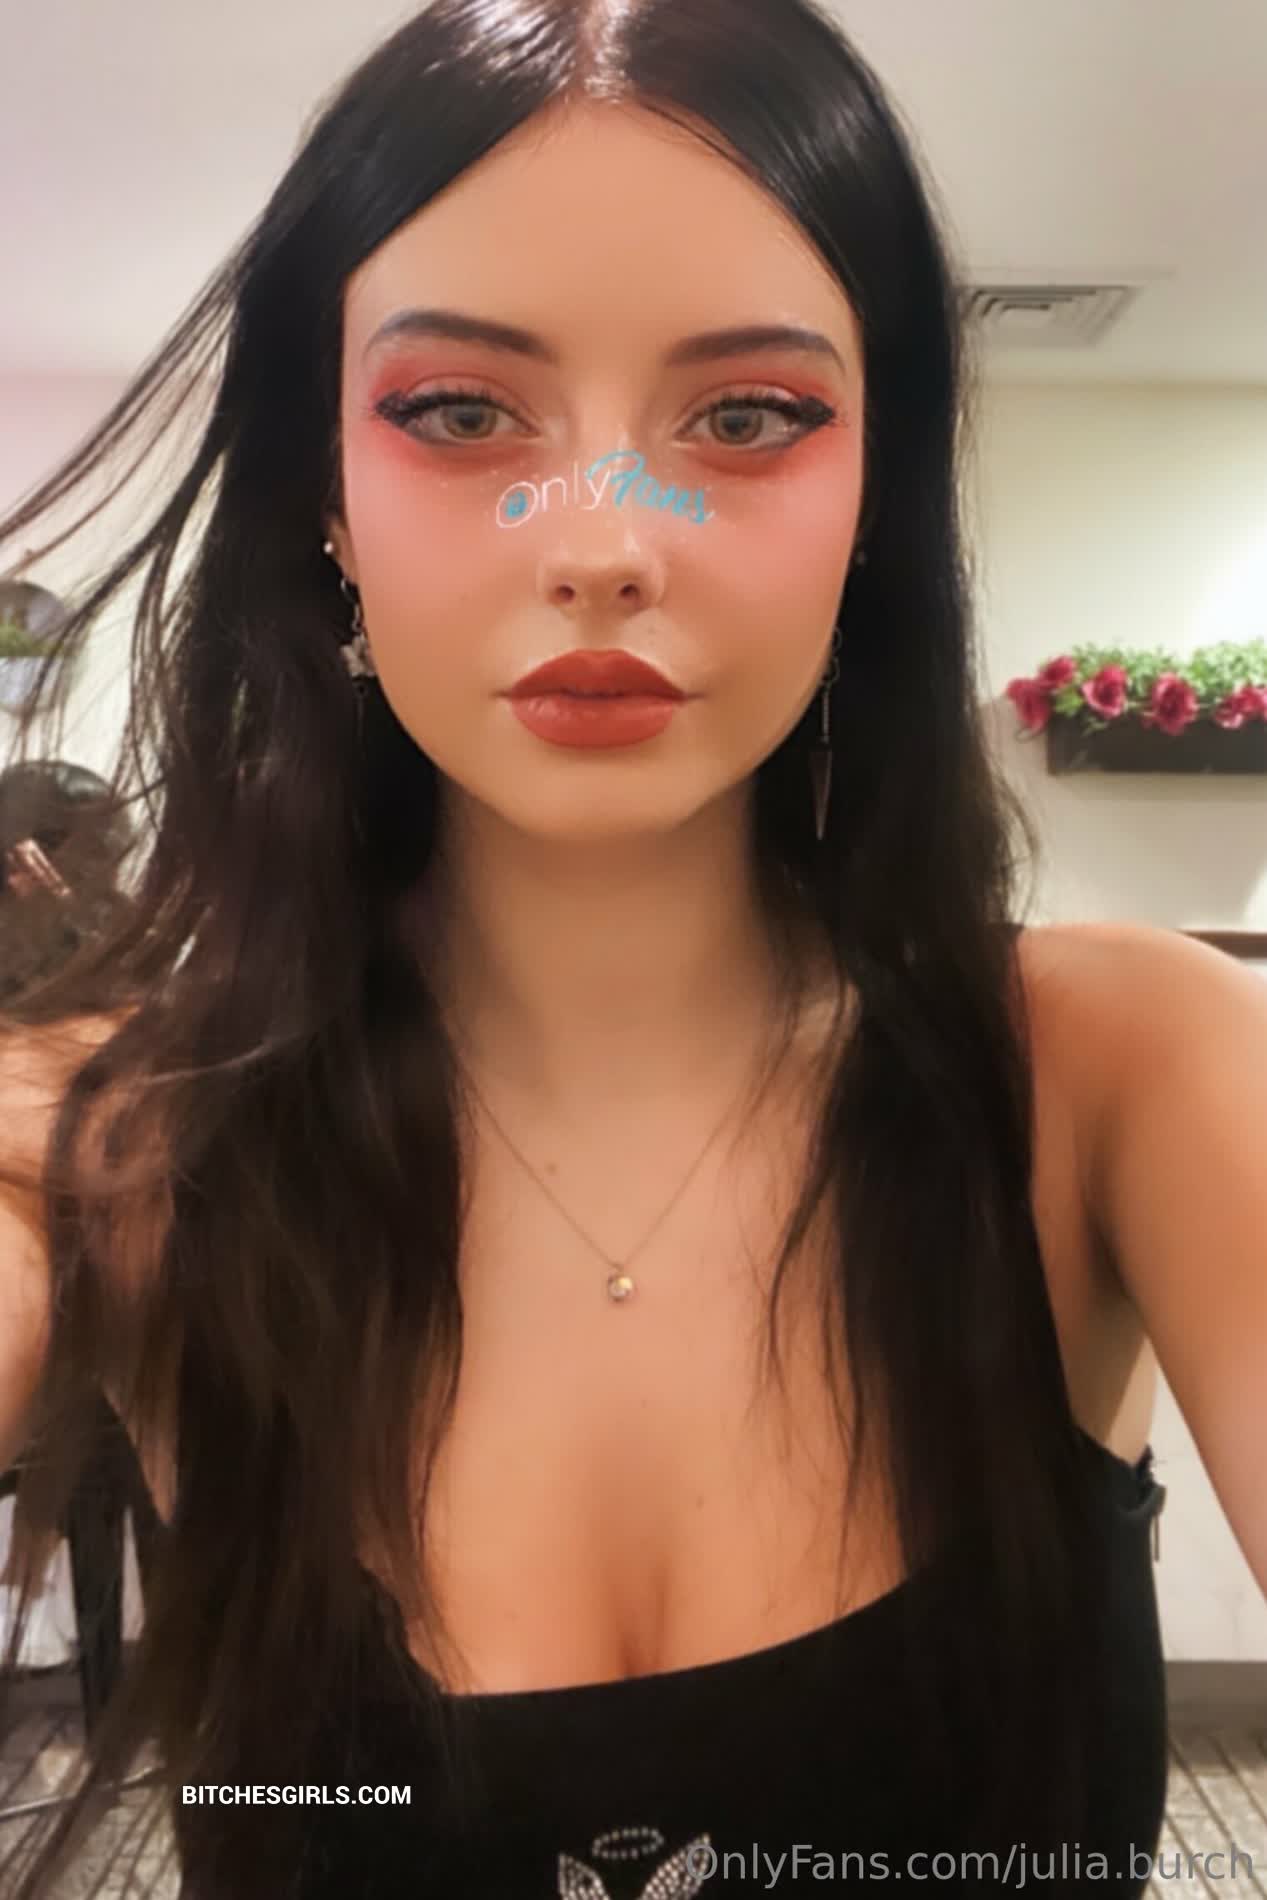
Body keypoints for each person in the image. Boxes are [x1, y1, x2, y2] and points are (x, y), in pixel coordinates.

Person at [5, 0, 1263, 1894]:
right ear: (326, 496)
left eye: (747, 418)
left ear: (875, 498)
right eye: (459, 412)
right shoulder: (117, 1144)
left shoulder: (1121, 1077)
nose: (602, 541)